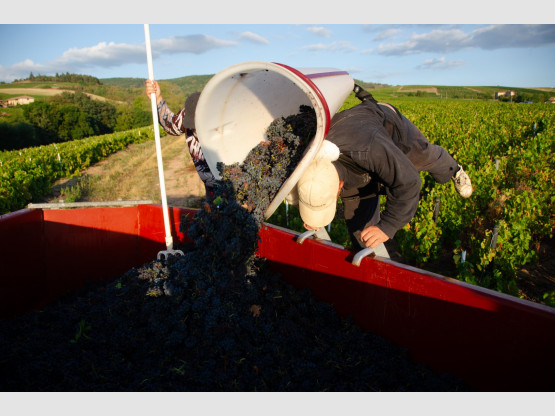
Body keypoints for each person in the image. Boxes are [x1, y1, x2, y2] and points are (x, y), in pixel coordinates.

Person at [291, 85, 473, 256]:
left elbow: (409, 182)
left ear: (339, 187)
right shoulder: (308, 162)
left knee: (421, 156)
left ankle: (454, 170)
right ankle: (378, 264)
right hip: (358, 165)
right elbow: (307, 188)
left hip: (389, 129)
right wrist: (312, 213)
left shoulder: (370, 148)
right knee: (361, 234)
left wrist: (388, 225)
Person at [145, 80, 215, 200]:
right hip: (211, 190)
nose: (197, 130)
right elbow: (170, 125)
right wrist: (158, 99)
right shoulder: (187, 114)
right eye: (194, 127)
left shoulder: (224, 124)